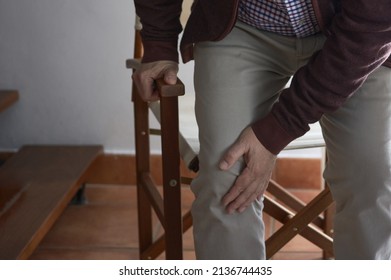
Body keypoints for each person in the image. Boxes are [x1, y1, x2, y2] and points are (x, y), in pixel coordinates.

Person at [132, 0, 391, 259]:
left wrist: (276, 130)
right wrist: (159, 41)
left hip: (355, 41)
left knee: (373, 176)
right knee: (227, 181)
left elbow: (373, 23)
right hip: (242, 26)